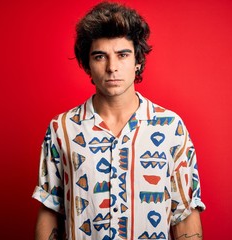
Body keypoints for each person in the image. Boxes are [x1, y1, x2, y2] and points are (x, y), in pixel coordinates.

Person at [33, 2, 205, 239]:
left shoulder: (170, 128)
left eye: (122, 55)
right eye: (100, 56)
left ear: (137, 61)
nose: (112, 67)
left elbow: (184, 215)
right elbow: (50, 209)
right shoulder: (62, 129)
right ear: (87, 64)